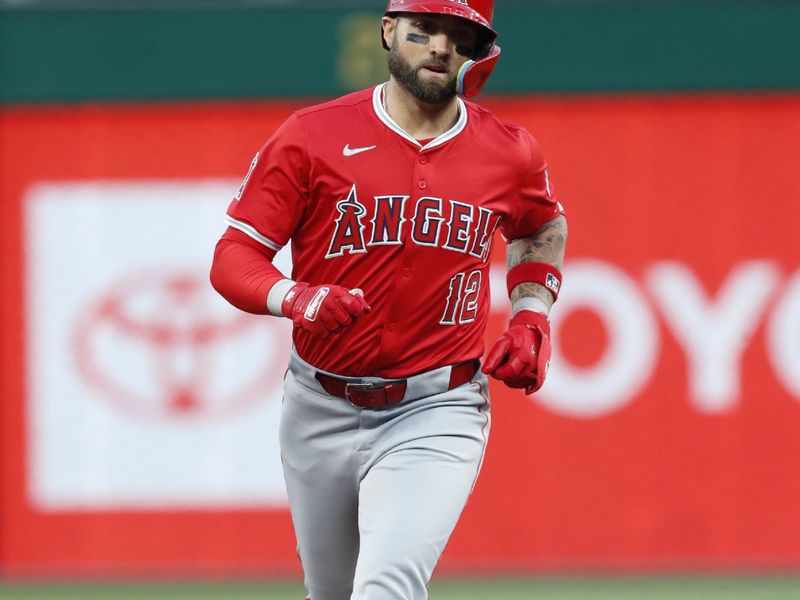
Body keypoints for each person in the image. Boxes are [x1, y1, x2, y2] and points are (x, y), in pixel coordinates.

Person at [210, 0, 568, 598]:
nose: (437, 46)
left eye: (458, 35)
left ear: (479, 50)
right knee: (333, 592)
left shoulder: (509, 151)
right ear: (387, 31)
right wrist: (295, 298)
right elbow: (233, 258)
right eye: (422, 29)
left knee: (386, 587)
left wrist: (532, 312)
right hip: (318, 401)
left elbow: (540, 227)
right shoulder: (312, 134)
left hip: (437, 404)